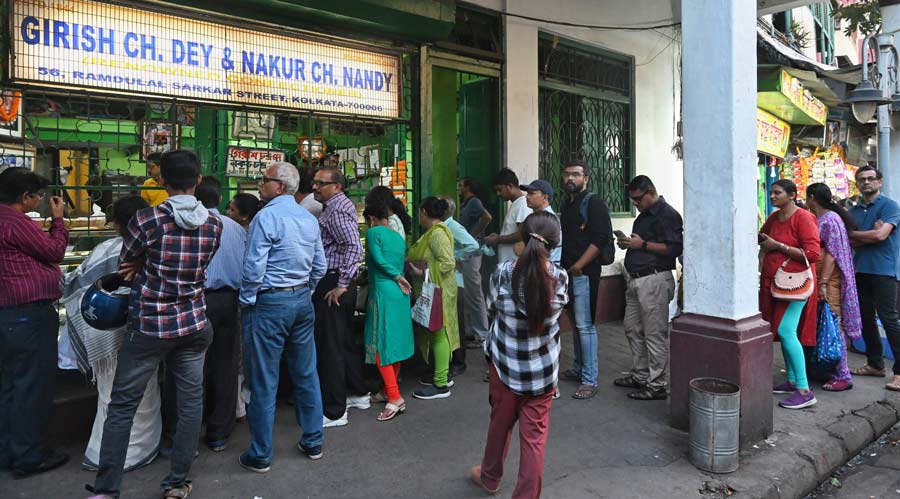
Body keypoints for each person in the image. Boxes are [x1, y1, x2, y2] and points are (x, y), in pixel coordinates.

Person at [88, 150, 222, 499]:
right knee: (190, 404)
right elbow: (199, 263)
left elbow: (125, 265)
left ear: (162, 180)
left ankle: (107, 489)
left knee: (122, 406)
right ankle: (177, 482)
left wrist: (144, 262)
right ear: (198, 179)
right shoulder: (216, 223)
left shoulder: (147, 221)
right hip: (194, 323)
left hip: (150, 326)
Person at [471, 211, 569, 498]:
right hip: (542, 375)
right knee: (534, 442)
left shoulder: (503, 272)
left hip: (505, 370)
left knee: (499, 426)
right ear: (554, 244)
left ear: (522, 239)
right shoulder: (560, 279)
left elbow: (491, 309)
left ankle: (490, 477)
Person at [62, 196, 161, 472]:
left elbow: (75, 285)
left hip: (103, 338)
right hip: (144, 330)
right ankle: (139, 451)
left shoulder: (105, 249)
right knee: (145, 391)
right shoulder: (155, 249)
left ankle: (104, 454)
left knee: (110, 394)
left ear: (116, 223)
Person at [238, 162, 327, 472]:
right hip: (302, 300)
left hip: (269, 303)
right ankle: (313, 439)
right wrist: (304, 291)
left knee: (263, 380)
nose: (260, 184)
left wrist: (248, 300)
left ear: (279, 186)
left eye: (265, 180)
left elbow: (253, 268)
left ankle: (261, 453)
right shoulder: (308, 216)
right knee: (306, 372)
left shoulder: (266, 217)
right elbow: (320, 265)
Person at [0, 167, 70, 478]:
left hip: (10, 314)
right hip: (29, 314)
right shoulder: (14, 221)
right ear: (25, 196)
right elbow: (55, 250)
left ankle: (8, 451)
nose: (40, 201)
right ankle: (29, 456)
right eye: (38, 196)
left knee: (11, 386)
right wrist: (58, 219)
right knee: (31, 386)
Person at [615, 175, 683, 401]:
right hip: (636, 280)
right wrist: (629, 244)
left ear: (651, 192)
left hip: (654, 280)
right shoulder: (643, 216)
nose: (635, 204)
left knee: (654, 334)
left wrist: (641, 244)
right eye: (632, 200)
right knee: (632, 328)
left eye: (638, 199)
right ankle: (640, 375)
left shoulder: (668, 215)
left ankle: (658, 384)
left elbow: (674, 249)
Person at [312, 167, 368, 427]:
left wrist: (342, 283)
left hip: (334, 281)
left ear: (336, 186)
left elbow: (354, 246)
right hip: (336, 280)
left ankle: (335, 410)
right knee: (343, 340)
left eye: (321, 184)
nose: (315, 187)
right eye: (314, 183)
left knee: (331, 345)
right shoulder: (334, 207)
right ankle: (357, 393)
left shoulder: (335, 210)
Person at [194, 177, 246, 452]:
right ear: (220, 200)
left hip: (196, 300)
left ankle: (185, 431)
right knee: (225, 367)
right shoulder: (237, 229)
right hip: (229, 300)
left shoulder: (191, 225)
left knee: (190, 366)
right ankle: (218, 433)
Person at [759, 179, 820, 410]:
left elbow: (813, 254)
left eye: (777, 193)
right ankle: (793, 380)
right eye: (771, 192)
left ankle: (804, 390)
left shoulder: (803, 218)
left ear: (792, 195)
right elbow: (762, 237)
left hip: (796, 285)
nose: (772, 196)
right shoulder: (774, 218)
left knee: (786, 331)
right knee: (786, 332)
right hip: (777, 283)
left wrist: (779, 247)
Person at [559, 159, 613, 400]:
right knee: (574, 322)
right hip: (568, 274)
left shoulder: (594, 203)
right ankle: (579, 367)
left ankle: (589, 380)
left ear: (586, 178)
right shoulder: (568, 204)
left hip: (584, 274)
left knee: (585, 326)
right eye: (567, 174)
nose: (571, 178)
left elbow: (600, 238)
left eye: (576, 175)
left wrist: (580, 266)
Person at [848, 165, 900, 391]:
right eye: (862, 179)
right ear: (857, 184)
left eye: (871, 179)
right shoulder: (854, 211)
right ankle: (875, 364)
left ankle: (899, 373)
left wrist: (869, 236)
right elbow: (848, 240)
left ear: (879, 182)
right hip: (861, 270)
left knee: (889, 320)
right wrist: (867, 236)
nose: (866, 183)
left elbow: (881, 235)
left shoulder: (889, 206)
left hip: (884, 270)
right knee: (865, 319)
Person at [361, 199, 414, 421]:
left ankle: (394, 397)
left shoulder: (374, 233)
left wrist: (396, 276)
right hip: (399, 294)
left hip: (383, 290)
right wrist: (399, 278)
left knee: (381, 344)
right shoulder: (398, 237)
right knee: (396, 342)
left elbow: (377, 259)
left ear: (371, 219)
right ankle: (386, 390)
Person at [805, 183, 861, 392]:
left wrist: (824, 283)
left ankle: (843, 375)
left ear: (812, 197)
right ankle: (826, 368)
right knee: (824, 323)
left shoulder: (830, 219)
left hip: (829, 280)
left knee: (834, 323)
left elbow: (831, 253)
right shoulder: (820, 218)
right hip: (819, 278)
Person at [408, 197, 459, 400]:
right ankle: (441, 374)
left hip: (439, 290)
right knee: (437, 331)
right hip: (435, 289)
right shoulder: (433, 233)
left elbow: (448, 263)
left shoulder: (437, 234)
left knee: (439, 332)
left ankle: (440, 384)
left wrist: (423, 273)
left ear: (423, 212)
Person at [440, 195, 481, 376]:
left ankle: (459, 361)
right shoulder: (442, 227)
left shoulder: (453, 227)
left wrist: (456, 257)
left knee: (457, 322)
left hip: (456, 281)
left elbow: (473, 245)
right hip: (448, 280)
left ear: (447, 209)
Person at [484, 169, 531, 263]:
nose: (498, 194)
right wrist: (499, 236)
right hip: (509, 263)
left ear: (510, 186)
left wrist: (498, 239)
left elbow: (522, 235)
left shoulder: (522, 205)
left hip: (515, 264)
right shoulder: (515, 204)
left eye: (499, 190)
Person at [520, 179, 562, 264]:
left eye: (532, 193)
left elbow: (519, 249)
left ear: (545, 197)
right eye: (528, 193)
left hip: (545, 270)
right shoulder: (541, 216)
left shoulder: (545, 219)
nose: (527, 196)